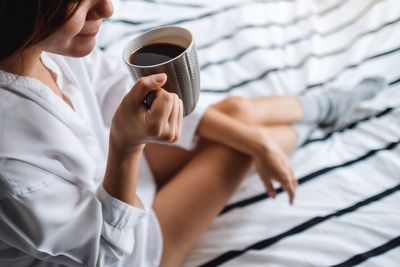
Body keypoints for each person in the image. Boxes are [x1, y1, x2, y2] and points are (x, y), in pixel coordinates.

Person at [0, 0, 385, 266]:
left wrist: (256, 139)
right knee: (235, 152)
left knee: (236, 119)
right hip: (125, 247)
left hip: (115, 180)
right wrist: (125, 144)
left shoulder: (44, 50)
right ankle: (313, 120)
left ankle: (321, 108)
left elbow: (112, 89)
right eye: (76, 2)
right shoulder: (10, 160)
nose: (107, 9)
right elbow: (104, 251)